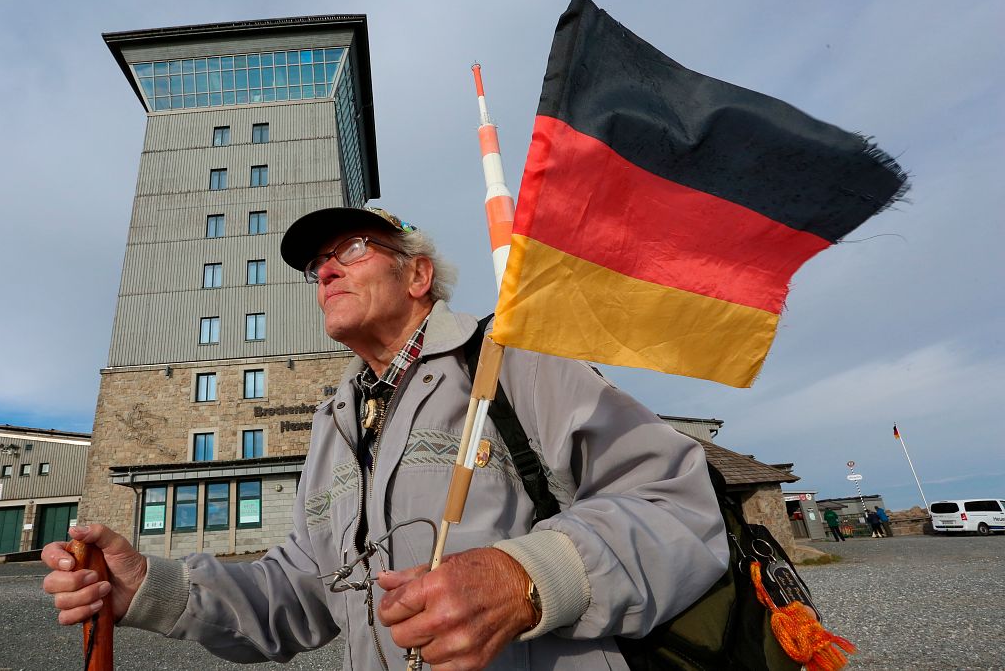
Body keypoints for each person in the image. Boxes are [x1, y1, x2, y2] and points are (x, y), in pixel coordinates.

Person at [42, 207, 729, 670]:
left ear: (418, 274)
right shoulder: (334, 421)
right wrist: (150, 589)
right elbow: (299, 590)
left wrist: (529, 576)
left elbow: (678, 509)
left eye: (351, 249)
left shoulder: (514, 360)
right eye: (318, 265)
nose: (326, 270)